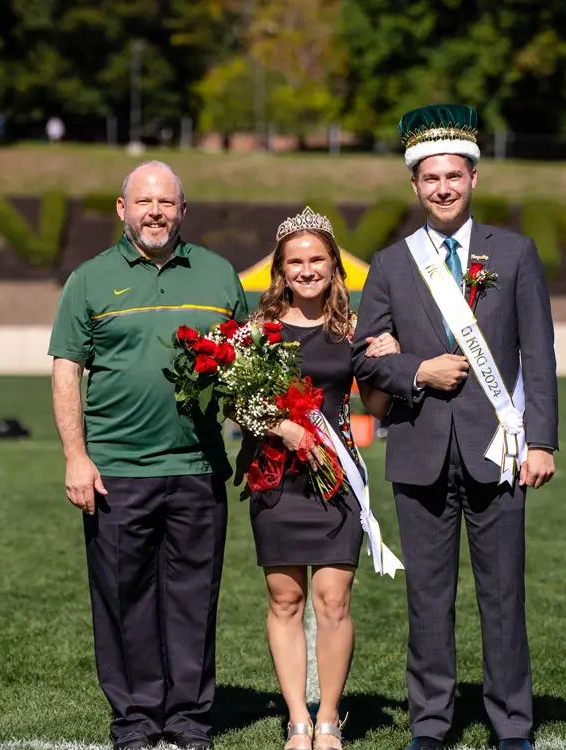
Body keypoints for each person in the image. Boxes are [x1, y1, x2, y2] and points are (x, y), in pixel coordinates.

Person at [351, 104, 558, 750]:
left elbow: (539, 354)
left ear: (474, 178)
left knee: (503, 598)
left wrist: (543, 439)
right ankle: (431, 725)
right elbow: (364, 357)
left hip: (498, 451)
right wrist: (418, 371)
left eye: (454, 176)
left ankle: (512, 726)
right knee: (428, 603)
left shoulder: (516, 253)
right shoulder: (389, 264)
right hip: (417, 450)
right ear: (413, 185)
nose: (442, 188)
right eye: (429, 178)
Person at [48, 160, 247, 750]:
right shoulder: (88, 279)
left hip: (198, 470)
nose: (155, 212)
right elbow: (66, 371)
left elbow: (248, 368)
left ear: (183, 210)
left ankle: (187, 717)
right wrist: (75, 457)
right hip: (117, 473)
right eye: (144, 202)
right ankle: (135, 719)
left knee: (193, 600)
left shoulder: (218, 275)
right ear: (122, 209)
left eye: (166, 202)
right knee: (122, 598)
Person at [234, 207, 403, 750]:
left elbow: (374, 403)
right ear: (280, 270)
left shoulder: (353, 328)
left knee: (334, 599)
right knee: (285, 599)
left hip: (337, 478)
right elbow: (238, 407)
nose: (307, 270)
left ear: (334, 265)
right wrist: (281, 428)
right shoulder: (258, 331)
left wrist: (389, 360)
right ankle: (296, 719)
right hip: (277, 478)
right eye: (295, 262)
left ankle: (328, 716)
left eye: (317, 260)